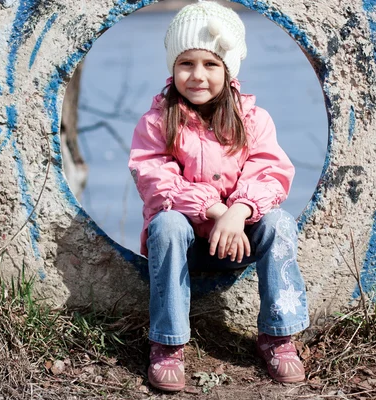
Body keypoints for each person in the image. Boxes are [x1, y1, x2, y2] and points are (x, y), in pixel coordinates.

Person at [128, 0, 309, 391]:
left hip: (239, 242)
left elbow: (271, 172)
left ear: (228, 71)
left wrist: (239, 211)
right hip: (185, 245)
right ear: (172, 67)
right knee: (168, 222)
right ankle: (167, 343)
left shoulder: (253, 119)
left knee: (279, 221)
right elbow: (154, 177)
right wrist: (215, 209)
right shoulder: (157, 121)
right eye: (186, 63)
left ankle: (278, 335)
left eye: (210, 65)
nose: (197, 75)